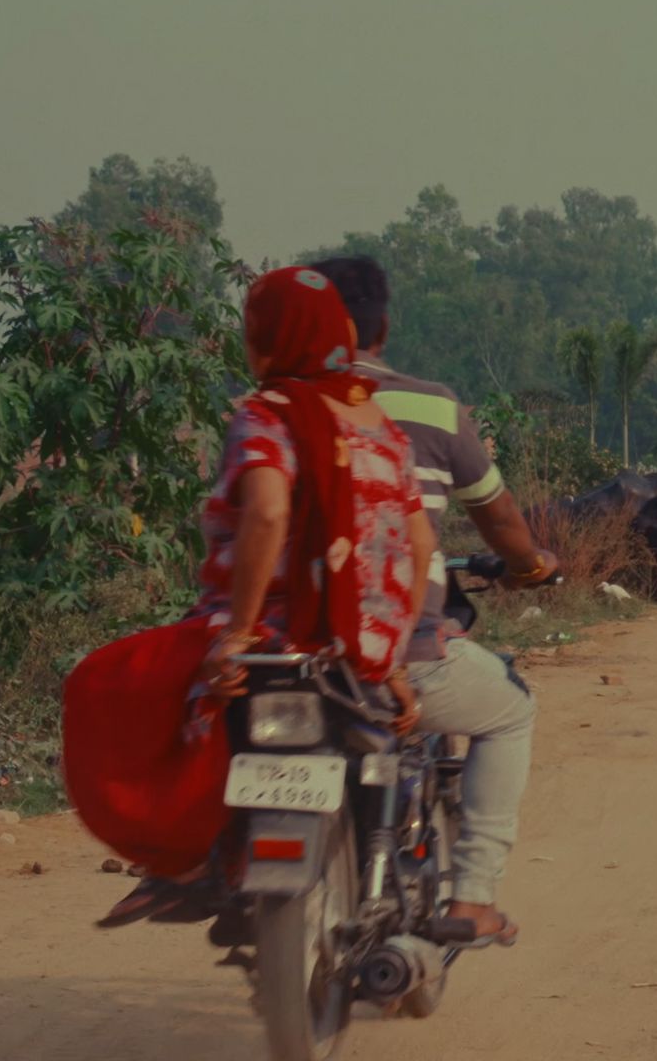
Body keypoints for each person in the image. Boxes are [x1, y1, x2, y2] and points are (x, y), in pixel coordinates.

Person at [82, 265, 432, 926]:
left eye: (253, 331)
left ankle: (181, 862)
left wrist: (237, 634)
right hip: (362, 653)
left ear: (271, 339)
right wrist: (394, 662)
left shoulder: (264, 415)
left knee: (107, 685)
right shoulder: (383, 430)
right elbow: (417, 547)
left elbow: (268, 512)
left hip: (276, 636)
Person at [312, 255, 557, 949]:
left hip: (284, 653)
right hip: (392, 653)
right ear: (382, 326)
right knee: (513, 709)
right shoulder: (421, 410)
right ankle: (475, 895)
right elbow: (496, 521)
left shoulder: (270, 408)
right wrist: (531, 564)